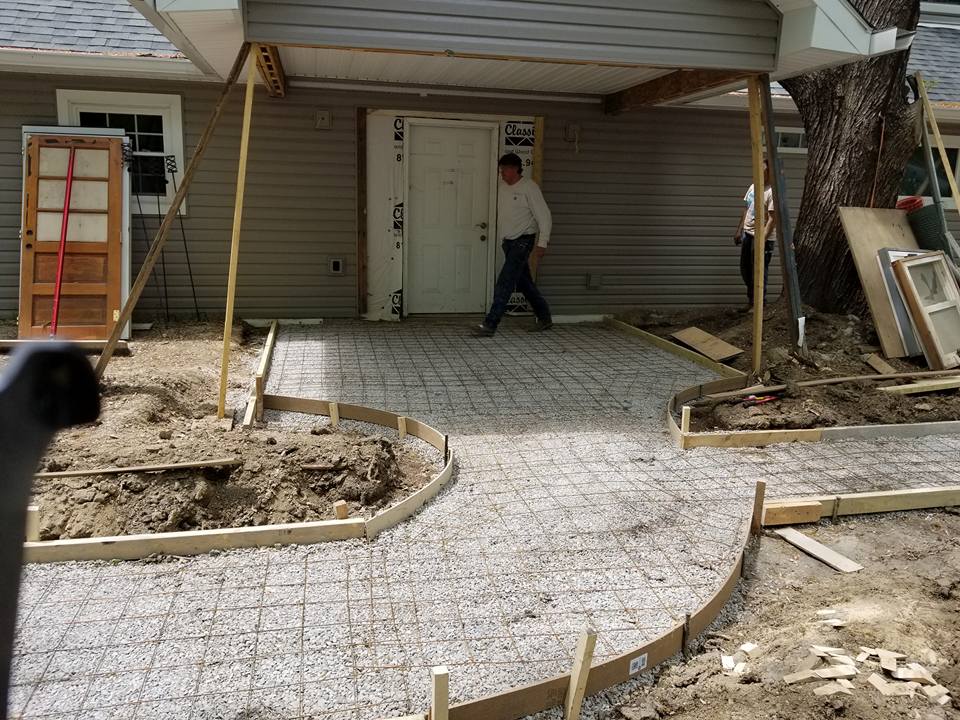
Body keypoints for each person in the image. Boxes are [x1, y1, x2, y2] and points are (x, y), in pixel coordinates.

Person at [473, 153, 553, 336]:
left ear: (516, 169)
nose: (502, 174)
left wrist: (543, 243)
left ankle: (490, 324)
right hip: (508, 243)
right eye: (501, 170)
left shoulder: (529, 188)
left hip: (523, 241)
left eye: (505, 170)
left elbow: (544, 216)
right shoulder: (502, 188)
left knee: (505, 282)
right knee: (524, 283)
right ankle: (545, 317)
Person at [734, 159, 777, 308]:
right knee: (745, 269)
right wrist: (739, 230)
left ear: (769, 173)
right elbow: (746, 209)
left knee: (759, 272)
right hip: (747, 234)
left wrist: (762, 240)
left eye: (763, 170)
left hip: (762, 238)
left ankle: (760, 306)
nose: (760, 173)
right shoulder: (753, 187)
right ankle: (751, 301)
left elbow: (773, 219)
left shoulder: (772, 191)